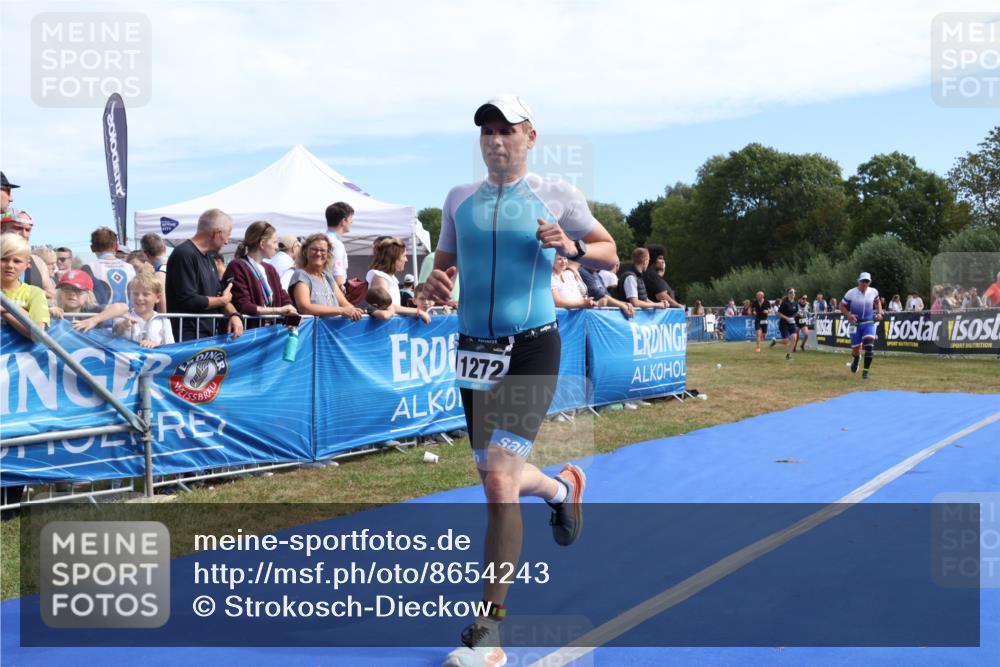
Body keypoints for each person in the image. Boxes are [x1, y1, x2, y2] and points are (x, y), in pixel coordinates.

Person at [425, 94, 618, 667]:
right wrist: (431, 285)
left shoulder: (557, 193)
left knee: (499, 485)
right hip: (473, 353)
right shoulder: (458, 199)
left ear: (530, 136)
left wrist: (572, 247)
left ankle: (489, 631)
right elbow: (443, 267)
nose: (495, 139)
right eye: (486, 130)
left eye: (506, 129)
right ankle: (560, 490)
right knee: (496, 479)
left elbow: (608, 254)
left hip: (532, 347)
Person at [164, 208, 244, 341]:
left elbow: (218, 295)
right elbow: (188, 300)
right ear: (216, 233)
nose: (226, 242)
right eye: (227, 235)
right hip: (189, 338)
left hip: (207, 336)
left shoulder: (209, 258)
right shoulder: (184, 254)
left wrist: (234, 314)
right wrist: (222, 300)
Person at [221, 220, 297, 327]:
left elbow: (283, 296)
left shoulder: (270, 269)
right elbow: (243, 305)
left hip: (270, 332)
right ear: (262, 244)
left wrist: (290, 311)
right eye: (274, 242)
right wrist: (279, 310)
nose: (277, 247)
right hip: (248, 332)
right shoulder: (237, 266)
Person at [287, 233, 365, 320]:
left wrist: (354, 310)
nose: (318, 253)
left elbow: (344, 303)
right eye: (314, 249)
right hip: (312, 328)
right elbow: (305, 308)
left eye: (323, 250)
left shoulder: (327, 276)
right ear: (305, 251)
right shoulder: (301, 275)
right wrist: (342, 310)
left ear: (328, 254)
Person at [366, 237, 431, 322]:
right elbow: (387, 307)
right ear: (394, 258)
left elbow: (392, 308)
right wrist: (418, 311)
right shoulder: (381, 278)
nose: (406, 260)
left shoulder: (389, 278)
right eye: (404, 256)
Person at [1, 211, 55, 299]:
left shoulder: (37, 262)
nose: (24, 234)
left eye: (28, 230)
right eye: (18, 228)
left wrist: (26, 293)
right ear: (2, 228)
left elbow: (51, 294)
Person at [53, 269, 129, 332]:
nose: (72, 293)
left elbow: (123, 307)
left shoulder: (92, 311)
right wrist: (49, 312)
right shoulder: (54, 310)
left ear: (88, 295)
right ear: (60, 293)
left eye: (78, 290)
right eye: (67, 289)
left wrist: (93, 320)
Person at [841, 272, 883, 380]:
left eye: (867, 281)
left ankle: (865, 372)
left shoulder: (873, 291)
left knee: (869, 347)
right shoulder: (851, 292)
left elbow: (877, 301)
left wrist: (879, 313)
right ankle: (856, 359)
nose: (864, 283)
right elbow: (842, 306)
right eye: (863, 281)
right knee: (855, 351)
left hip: (869, 323)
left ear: (869, 282)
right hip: (855, 324)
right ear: (858, 281)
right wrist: (848, 315)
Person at [114, 272, 175, 347]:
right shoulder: (123, 317)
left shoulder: (164, 321)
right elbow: (115, 335)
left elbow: (170, 347)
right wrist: (123, 325)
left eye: (145, 294)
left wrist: (156, 346)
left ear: (158, 298)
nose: (139, 298)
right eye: (135, 294)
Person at [83, 227, 135, 308]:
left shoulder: (88, 268)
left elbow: (84, 300)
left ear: (92, 248)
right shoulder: (130, 267)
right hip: (129, 314)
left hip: (101, 315)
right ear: (116, 247)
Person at [325, 201, 354, 289]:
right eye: (350, 219)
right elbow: (338, 277)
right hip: (332, 291)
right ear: (343, 221)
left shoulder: (321, 239)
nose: (352, 222)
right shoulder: (336, 244)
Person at [140, 233, 169, 312]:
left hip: (167, 317)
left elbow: (162, 305)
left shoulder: (159, 274)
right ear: (164, 248)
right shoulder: (174, 265)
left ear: (146, 254)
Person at [769, 288, 799, 360]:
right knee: (786, 341)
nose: (793, 294)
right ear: (788, 294)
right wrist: (787, 318)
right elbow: (778, 313)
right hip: (784, 323)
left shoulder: (795, 303)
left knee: (794, 338)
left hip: (791, 323)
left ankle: (788, 355)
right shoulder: (784, 303)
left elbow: (795, 312)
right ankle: (775, 341)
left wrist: (797, 315)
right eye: (791, 292)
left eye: (794, 292)